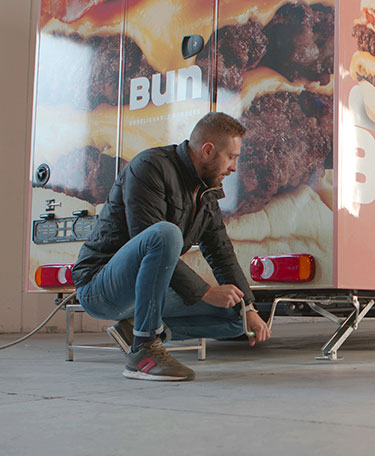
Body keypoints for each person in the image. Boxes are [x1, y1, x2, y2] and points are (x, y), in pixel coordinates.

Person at [73, 112, 270, 382]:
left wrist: (249, 308)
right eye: (232, 157)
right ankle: (144, 350)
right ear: (208, 150)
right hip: (101, 287)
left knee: (236, 318)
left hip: (148, 292)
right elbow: (145, 238)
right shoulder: (150, 167)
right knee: (164, 233)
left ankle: (136, 330)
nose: (235, 167)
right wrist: (205, 291)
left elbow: (221, 252)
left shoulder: (206, 190)